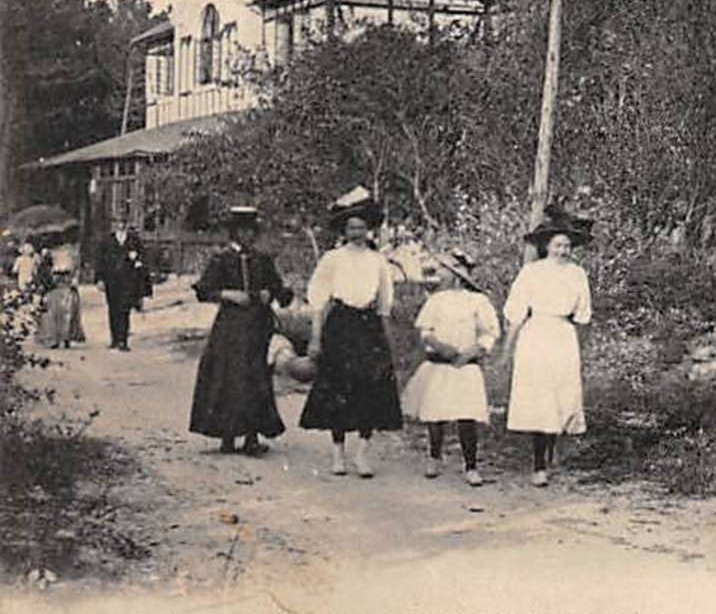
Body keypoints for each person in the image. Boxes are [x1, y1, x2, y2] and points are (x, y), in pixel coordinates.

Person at [298, 188, 402, 477]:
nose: (357, 231)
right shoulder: (333, 258)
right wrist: (316, 338)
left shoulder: (378, 261)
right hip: (341, 324)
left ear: (369, 228)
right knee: (338, 387)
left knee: (371, 386)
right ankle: (338, 454)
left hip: (368, 326)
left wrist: (388, 342)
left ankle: (362, 455)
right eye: (351, 227)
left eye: (361, 226)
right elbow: (318, 300)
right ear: (344, 229)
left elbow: (384, 304)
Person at [188, 206, 294, 455]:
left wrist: (276, 294)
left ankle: (251, 437)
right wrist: (228, 294)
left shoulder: (262, 260)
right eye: (241, 231)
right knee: (227, 377)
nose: (246, 236)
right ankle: (226, 435)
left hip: (258, 327)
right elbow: (204, 290)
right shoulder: (221, 259)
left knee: (255, 377)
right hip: (230, 327)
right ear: (233, 233)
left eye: (250, 231)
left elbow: (279, 289)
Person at [502, 205, 594, 488]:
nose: (562, 251)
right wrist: (507, 349)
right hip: (536, 336)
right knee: (540, 397)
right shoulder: (531, 272)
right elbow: (516, 312)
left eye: (567, 246)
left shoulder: (577, 274)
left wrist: (582, 349)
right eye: (557, 245)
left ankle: (550, 453)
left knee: (560, 396)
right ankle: (538, 464)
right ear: (546, 246)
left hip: (563, 336)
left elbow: (583, 315)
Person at [400, 249, 500, 486]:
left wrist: (472, 352)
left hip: (466, 365)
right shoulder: (436, 301)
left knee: (467, 416)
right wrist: (438, 345)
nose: (439, 275)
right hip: (440, 362)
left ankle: (471, 466)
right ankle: (434, 456)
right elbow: (426, 331)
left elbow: (490, 333)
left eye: (444, 271)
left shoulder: (478, 301)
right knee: (436, 413)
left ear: (456, 274)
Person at [96, 219, 150, 351]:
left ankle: (123, 340)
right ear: (114, 225)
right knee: (113, 309)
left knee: (125, 309)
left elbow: (142, 257)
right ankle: (114, 339)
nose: (120, 225)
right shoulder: (106, 240)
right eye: (117, 223)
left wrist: (136, 260)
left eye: (123, 223)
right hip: (111, 279)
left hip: (128, 280)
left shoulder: (134, 240)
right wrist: (99, 279)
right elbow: (100, 261)